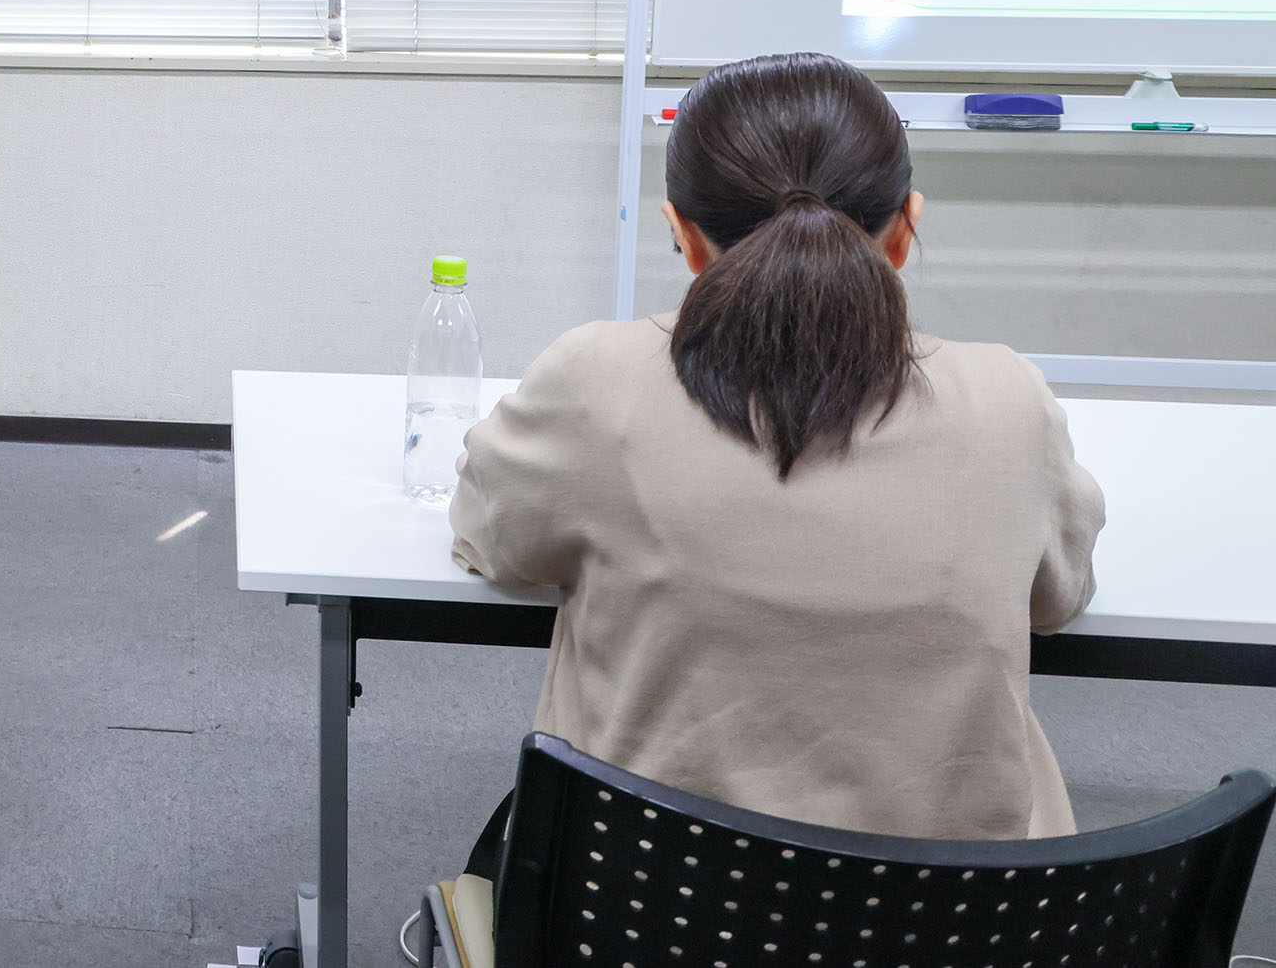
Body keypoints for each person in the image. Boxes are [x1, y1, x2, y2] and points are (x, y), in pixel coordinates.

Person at [450, 50, 1104, 843]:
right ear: (905, 231)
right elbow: (1058, 597)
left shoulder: (595, 382)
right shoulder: (1010, 400)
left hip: (643, 922)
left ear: (683, 238)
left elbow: (497, 540)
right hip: (949, 928)